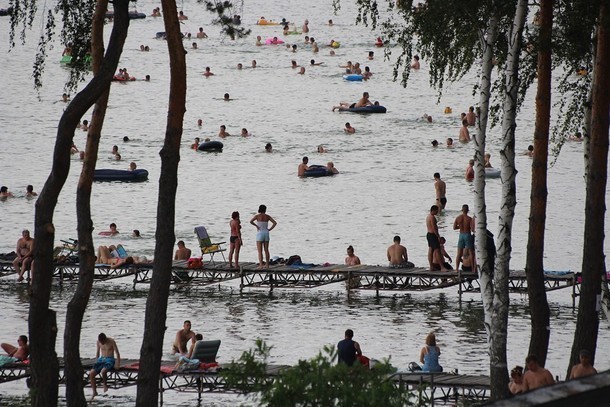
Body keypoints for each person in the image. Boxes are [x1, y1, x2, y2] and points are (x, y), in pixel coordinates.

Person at [89, 333, 120, 400]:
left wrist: (117, 364)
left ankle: (105, 385)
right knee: (91, 373)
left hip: (109, 359)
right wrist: (96, 362)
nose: (101, 343)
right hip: (101, 359)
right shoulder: (98, 342)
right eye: (100, 342)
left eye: (102, 341)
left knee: (103, 371)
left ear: (105, 339)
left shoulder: (111, 341)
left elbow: (117, 353)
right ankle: (94, 392)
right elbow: (97, 352)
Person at [250, 204, 277, 269]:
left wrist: (256, 226)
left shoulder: (257, 216)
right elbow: (275, 223)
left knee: (260, 251)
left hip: (260, 233)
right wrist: (270, 229)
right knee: (266, 250)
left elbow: (251, 221)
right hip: (266, 233)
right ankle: (267, 265)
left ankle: (261, 265)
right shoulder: (267, 216)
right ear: (265, 210)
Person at [427, 205, 449, 271]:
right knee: (437, 251)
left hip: (429, 234)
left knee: (430, 250)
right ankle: (442, 267)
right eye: (436, 211)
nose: (437, 212)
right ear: (433, 210)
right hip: (433, 235)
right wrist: (438, 236)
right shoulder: (432, 217)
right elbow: (434, 228)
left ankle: (431, 266)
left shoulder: (428, 217)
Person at [453, 204, 475, 271]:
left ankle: (456, 268)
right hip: (467, 234)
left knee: (459, 253)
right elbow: (472, 229)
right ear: (468, 210)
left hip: (461, 235)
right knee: (471, 253)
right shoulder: (469, 219)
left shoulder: (458, 218)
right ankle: (473, 269)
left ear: (462, 210)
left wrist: (460, 226)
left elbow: (454, 227)